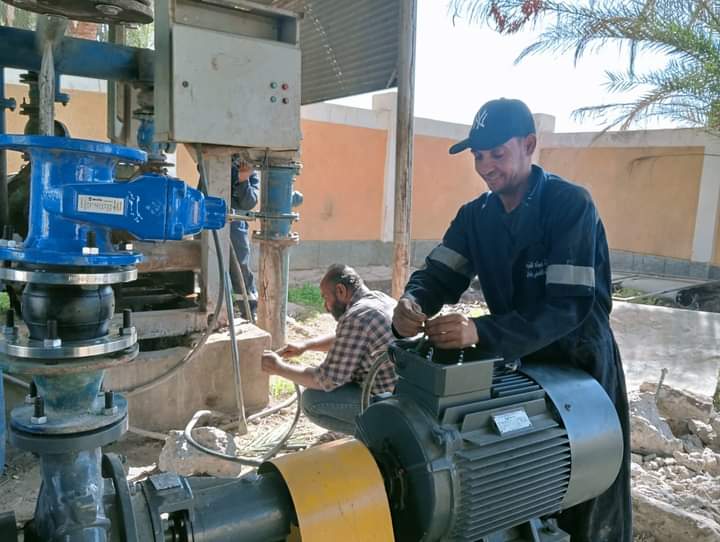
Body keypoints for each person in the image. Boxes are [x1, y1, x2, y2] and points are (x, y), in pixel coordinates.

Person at [392, 98, 632, 542]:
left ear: (529, 145)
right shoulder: (475, 216)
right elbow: (439, 275)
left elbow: (568, 307)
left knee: (591, 492)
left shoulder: (569, 205)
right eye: (478, 155)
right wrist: (412, 302)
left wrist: (479, 331)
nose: (485, 166)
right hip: (519, 363)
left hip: (579, 362)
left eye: (497, 153)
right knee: (528, 477)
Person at [261, 264, 397, 434]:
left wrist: (278, 368)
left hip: (391, 405)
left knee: (312, 401)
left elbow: (325, 380)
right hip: (408, 396)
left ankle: (383, 435)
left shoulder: (357, 318)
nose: (325, 306)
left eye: (326, 298)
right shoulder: (379, 299)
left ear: (340, 291)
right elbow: (349, 340)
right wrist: (307, 345)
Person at [229, 157, 260, 321]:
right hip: (209, 222)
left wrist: (243, 179)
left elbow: (249, 203)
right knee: (209, 265)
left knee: (240, 267)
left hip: (235, 226)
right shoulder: (214, 162)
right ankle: (213, 307)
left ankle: (249, 310)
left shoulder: (249, 171)